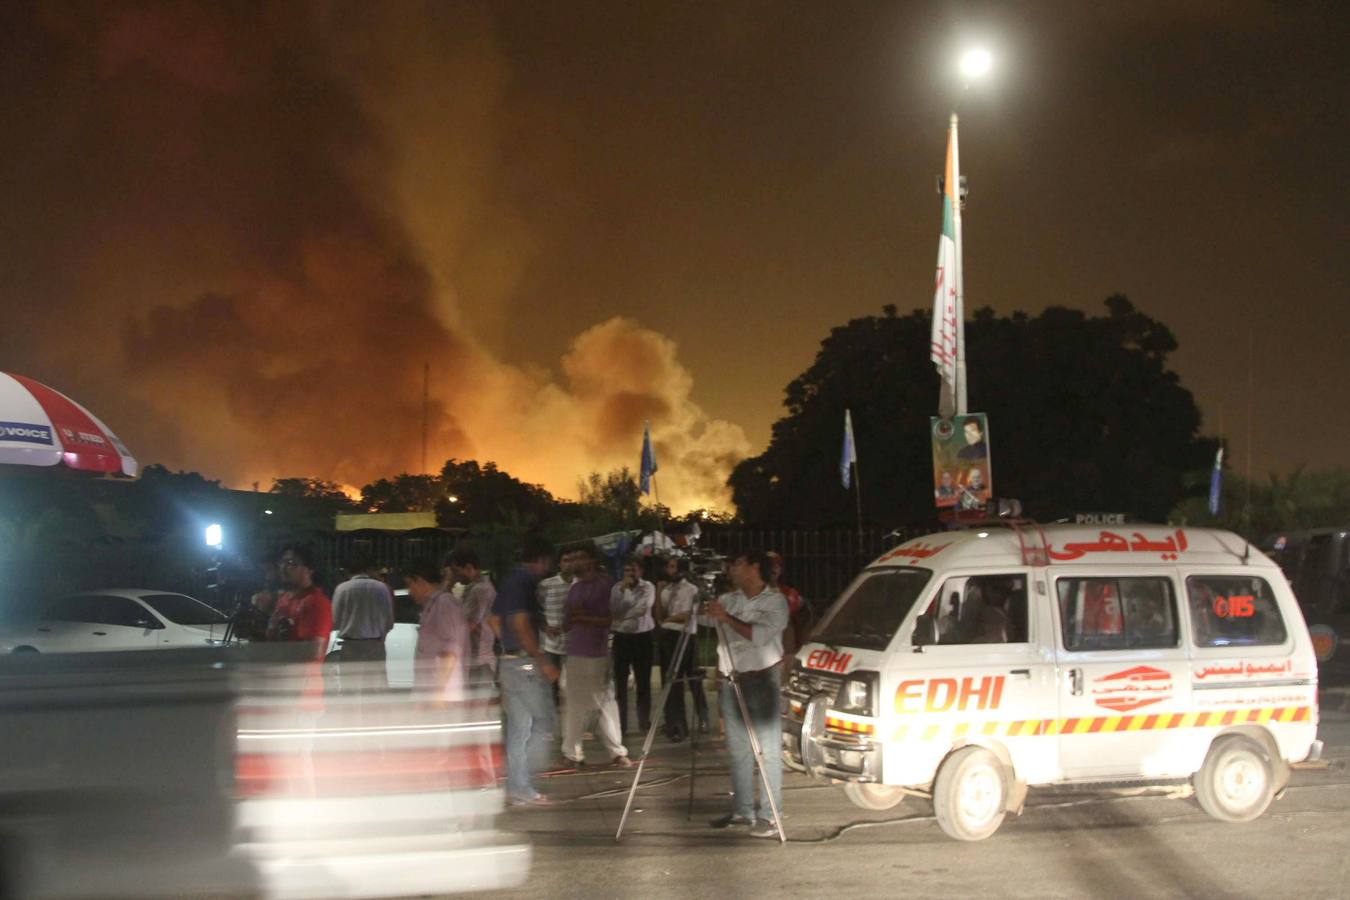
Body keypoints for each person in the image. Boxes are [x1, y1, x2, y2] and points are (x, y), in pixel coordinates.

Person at [705, 549, 789, 839]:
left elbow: (760, 636)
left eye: (738, 562)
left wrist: (726, 618)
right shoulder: (730, 599)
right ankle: (743, 811)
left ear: (755, 568)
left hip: (762, 680)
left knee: (767, 751)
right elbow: (704, 623)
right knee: (738, 749)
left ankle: (770, 815)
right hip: (733, 680)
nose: (732, 567)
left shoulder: (775, 601)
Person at [488, 534, 561, 806]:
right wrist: (540, 658)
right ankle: (524, 781)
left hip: (508, 662)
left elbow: (494, 619)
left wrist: (507, 645)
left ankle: (518, 786)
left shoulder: (509, 581)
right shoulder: (525, 583)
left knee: (519, 728)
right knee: (544, 723)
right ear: (541, 561)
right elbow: (519, 623)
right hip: (524, 664)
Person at [560, 545, 630, 767]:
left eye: (577, 558)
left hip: (597, 653)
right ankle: (572, 753)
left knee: (604, 703)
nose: (572, 564)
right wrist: (571, 619)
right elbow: (566, 623)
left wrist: (585, 618)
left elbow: (613, 619)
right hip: (575, 652)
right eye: (570, 560)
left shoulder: (606, 585)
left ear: (590, 560)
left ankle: (617, 752)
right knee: (574, 704)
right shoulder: (575, 588)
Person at [655, 555, 708, 742]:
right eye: (669, 567)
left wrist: (668, 619)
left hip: (685, 635)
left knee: (692, 678)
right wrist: (658, 592)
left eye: (674, 567)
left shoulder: (691, 589)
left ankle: (703, 716)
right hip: (668, 636)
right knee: (671, 681)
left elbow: (688, 614)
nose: (671, 571)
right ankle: (675, 724)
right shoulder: (666, 589)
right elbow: (659, 614)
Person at [406, 557, 468, 705]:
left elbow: (450, 651)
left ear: (421, 581)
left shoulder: (444, 603)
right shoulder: (431, 605)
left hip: (441, 696)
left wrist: (439, 691)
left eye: (410, 585)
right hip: (429, 691)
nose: (409, 591)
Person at [330, 552, 394, 692]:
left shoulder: (342, 589)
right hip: (375, 646)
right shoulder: (381, 588)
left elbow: (335, 621)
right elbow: (389, 621)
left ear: (348, 570)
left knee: (350, 690)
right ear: (368, 568)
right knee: (375, 691)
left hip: (351, 646)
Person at [610, 558, 656, 736]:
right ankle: (621, 724)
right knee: (620, 684)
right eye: (627, 569)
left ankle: (644, 722)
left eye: (634, 570)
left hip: (642, 637)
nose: (630, 573)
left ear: (641, 571)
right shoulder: (616, 588)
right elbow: (613, 611)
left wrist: (622, 614)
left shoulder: (648, 587)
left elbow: (642, 609)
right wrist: (624, 592)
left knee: (643, 682)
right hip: (622, 638)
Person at [266, 543, 333, 657]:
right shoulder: (284, 600)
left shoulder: (315, 602)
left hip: (302, 674)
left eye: (291, 563)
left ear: (309, 569)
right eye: (282, 562)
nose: (283, 567)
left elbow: (313, 651)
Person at [450, 547, 498, 682]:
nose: (456, 576)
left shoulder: (481, 589)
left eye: (456, 571)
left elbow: (469, 625)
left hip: (479, 660)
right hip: (475, 659)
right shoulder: (475, 587)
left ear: (469, 568)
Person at [536, 549, 575, 707]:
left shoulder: (579, 585)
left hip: (575, 644)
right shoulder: (546, 585)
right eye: (565, 560)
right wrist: (545, 627)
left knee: (574, 685)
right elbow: (536, 610)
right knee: (551, 686)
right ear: (559, 564)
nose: (569, 564)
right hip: (552, 644)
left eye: (572, 560)